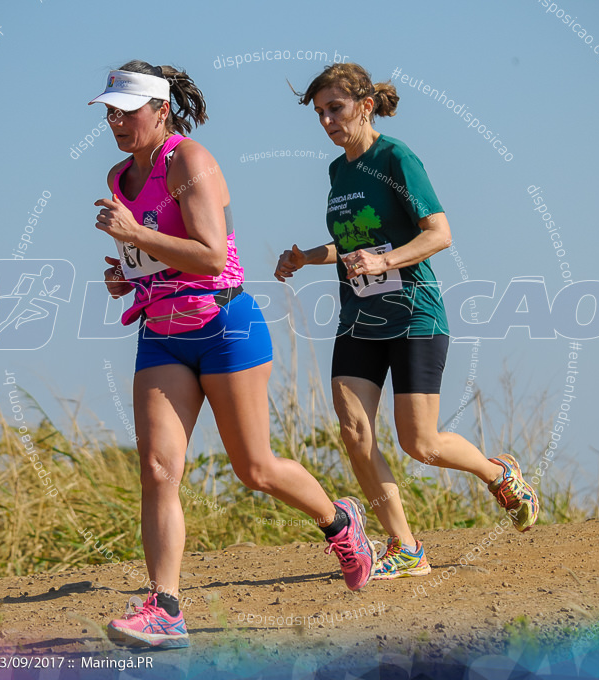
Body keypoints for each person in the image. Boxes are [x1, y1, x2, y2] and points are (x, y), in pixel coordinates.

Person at [89, 61, 375, 649]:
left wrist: (136, 238)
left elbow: (212, 257)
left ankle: (341, 521)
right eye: (110, 112)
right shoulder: (120, 176)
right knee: (158, 470)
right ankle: (165, 608)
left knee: (254, 468)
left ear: (161, 109)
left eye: (129, 110)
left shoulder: (190, 160)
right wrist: (128, 274)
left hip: (224, 325)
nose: (117, 121)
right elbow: (160, 259)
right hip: (162, 332)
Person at [274, 63, 539, 581]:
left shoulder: (396, 157)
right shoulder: (338, 172)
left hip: (414, 312)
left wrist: (386, 261)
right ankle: (406, 545)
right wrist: (307, 256)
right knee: (354, 430)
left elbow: (438, 233)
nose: (327, 120)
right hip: (359, 316)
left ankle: (500, 474)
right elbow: (354, 244)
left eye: (336, 108)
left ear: (365, 105)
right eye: (320, 112)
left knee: (421, 443)